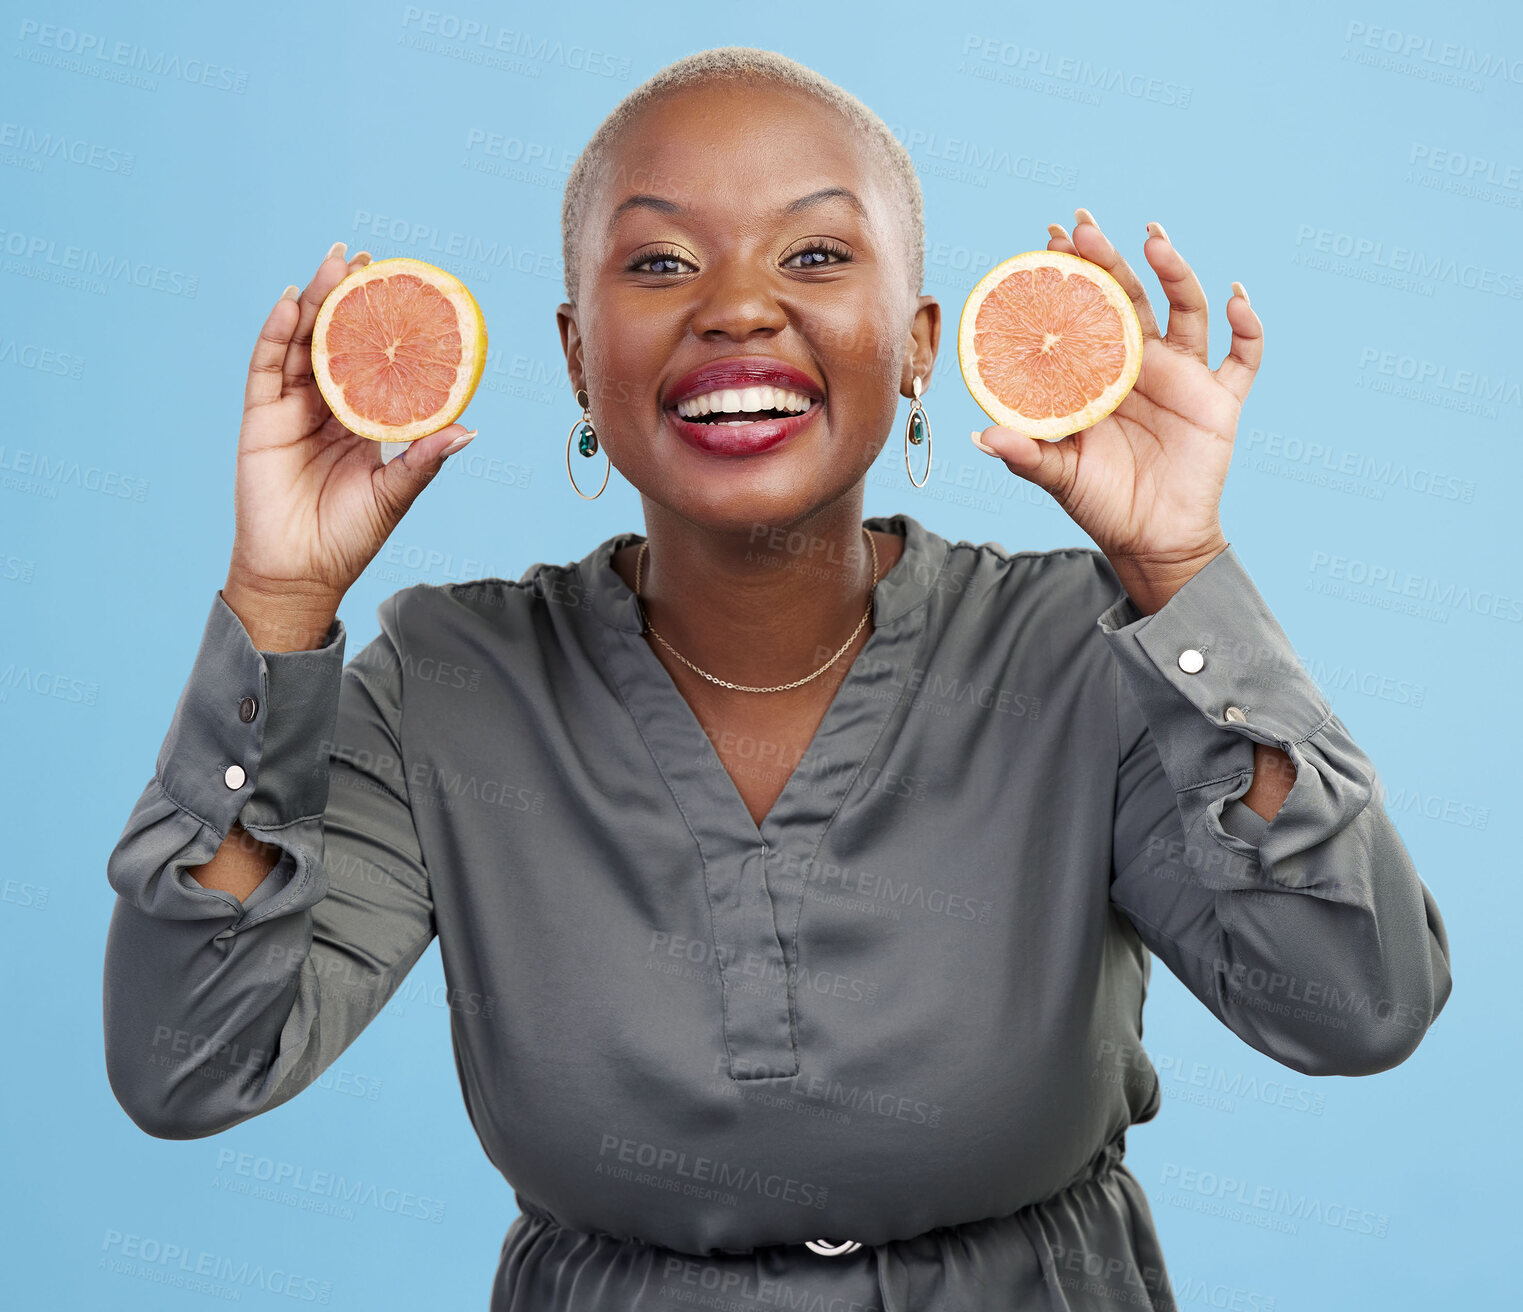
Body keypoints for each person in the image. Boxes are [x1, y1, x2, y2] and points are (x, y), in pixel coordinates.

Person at [103, 46, 1452, 1312]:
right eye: (660, 260)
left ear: (921, 341)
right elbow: (190, 1063)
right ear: (578, 355)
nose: (738, 307)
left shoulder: (1088, 652)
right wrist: (278, 608)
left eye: (816, 252)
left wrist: (1180, 570)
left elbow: (1354, 1003)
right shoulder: (451, 681)